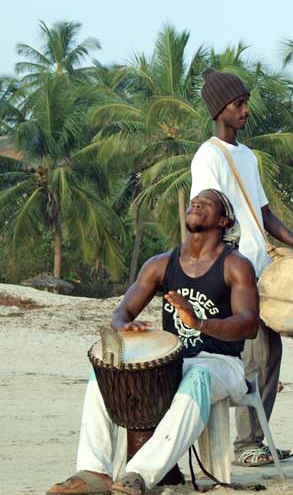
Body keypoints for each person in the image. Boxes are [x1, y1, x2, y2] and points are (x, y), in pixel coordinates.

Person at [46, 190, 259, 495]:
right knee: (105, 372)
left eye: (207, 203)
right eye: (195, 201)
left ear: (223, 220)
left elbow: (249, 325)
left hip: (222, 364)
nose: (197, 204)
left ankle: (140, 474)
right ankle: (94, 471)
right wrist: (125, 326)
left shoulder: (235, 265)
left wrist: (199, 323)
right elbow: (121, 312)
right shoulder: (160, 263)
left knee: (197, 376)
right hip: (174, 362)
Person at [190, 68, 293, 466]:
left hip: (261, 269)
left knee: (270, 355)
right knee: (253, 357)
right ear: (220, 110)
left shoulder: (247, 157)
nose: (246, 110)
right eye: (239, 104)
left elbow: (265, 215)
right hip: (237, 274)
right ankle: (244, 445)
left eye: (245, 103)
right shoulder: (208, 156)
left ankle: (258, 437)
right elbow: (207, 215)